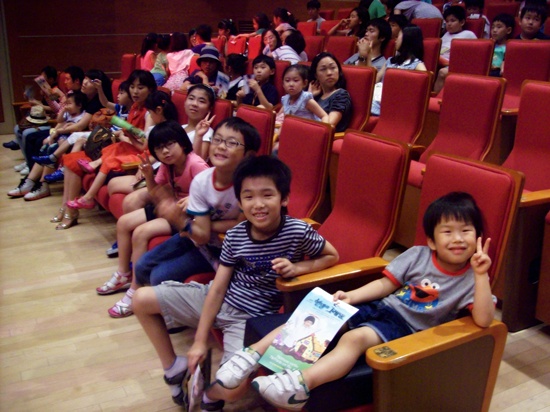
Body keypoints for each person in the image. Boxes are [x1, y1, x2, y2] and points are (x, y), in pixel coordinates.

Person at [219, 191, 495, 411]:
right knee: (321, 315)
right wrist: (351, 296)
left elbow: (484, 320)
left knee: (355, 338)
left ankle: (299, 387)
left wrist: (482, 275)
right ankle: (249, 356)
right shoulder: (417, 255)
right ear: (432, 241)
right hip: (382, 307)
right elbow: (385, 284)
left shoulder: (473, 279)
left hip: (408, 330)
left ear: (478, 237)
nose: (457, 239)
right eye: (447, 232)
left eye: (465, 231)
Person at [133, 154, 339, 411]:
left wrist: (297, 267)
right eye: (248, 197)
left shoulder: (297, 231)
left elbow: (331, 255)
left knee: (235, 390)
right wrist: (199, 341)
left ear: (284, 198)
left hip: (248, 320)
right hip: (219, 299)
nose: (258, 204)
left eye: (267, 195)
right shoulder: (235, 235)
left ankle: (210, 393)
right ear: (240, 202)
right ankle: (174, 367)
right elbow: (218, 288)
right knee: (140, 299)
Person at [130, 118, 261, 321]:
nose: (221, 146)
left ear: (248, 155)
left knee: (158, 276)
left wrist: (187, 222)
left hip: (224, 249)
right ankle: (141, 299)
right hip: (196, 238)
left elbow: (239, 225)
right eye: (217, 139)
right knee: (142, 266)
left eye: (232, 143)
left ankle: (175, 316)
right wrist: (190, 223)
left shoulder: (249, 186)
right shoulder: (202, 181)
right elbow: (199, 232)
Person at [96, 120, 209, 318]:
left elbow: (208, 196)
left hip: (187, 217)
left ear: (182, 143)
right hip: (171, 209)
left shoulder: (196, 165)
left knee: (141, 232)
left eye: (169, 144)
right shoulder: (168, 165)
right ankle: (123, 274)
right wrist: (149, 176)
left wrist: (181, 203)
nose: (165, 151)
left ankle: (134, 290)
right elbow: (155, 193)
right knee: (124, 223)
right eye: (159, 148)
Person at [65, 72, 158, 211]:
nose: (135, 91)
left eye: (140, 88)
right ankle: (94, 167)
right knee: (110, 148)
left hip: (140, 152)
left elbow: (144, 142)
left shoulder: (149, 113)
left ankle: (88, 197)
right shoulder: (134, 107)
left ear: (150, 89)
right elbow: (107, 105)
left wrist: (128, 135)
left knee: (111, 157)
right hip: (130, 145)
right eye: (132, 87)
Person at [11, 91, 88, 201]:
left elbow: (77, 129)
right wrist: (54, 133)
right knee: (44, 148)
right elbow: (59, 121)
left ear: (79, 105)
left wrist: (62, 130)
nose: (67, 106)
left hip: (71, 142)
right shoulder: (68, 113)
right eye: (66, 103)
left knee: (51, 149)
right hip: (61, 138)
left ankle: (43, 185)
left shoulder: (83, 114)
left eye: (69, 103)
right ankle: (29, 182)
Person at [366, 25, 427, 115]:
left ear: (407, 40)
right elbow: (374, 81)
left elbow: (421, 91)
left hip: (393, 103)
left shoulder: (418, 65)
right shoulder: (390, 61)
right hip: (377, 97)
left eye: (398, 36)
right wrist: (368, 55)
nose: (395, 40)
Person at [433, 6, 477, 94]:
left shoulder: (468, 35)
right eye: (447, 21)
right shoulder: (446, 35)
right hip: (439, 62)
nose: (449, 24)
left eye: (452, 21)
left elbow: (474, 55)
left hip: (455, 65)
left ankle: (435, 96)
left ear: (462, 22)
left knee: (442, 72)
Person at [308, 52, 353, 133]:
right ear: (316, 75)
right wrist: (309, 96)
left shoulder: (341, 95)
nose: (329, 73)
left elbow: (328, 126)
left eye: (332, 68)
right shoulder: (316, 96)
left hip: (326, 137)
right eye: (323, 69)